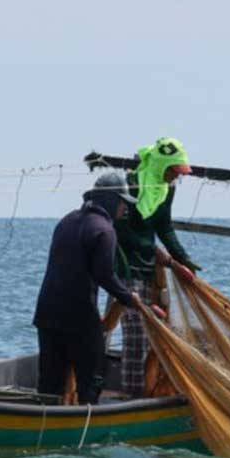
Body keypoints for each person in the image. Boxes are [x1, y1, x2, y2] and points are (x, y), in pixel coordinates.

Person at [33, 172, 140, 404]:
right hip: (79, 318)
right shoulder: (105, 230)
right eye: (123, 203)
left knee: (49, 383)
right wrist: (131, 298)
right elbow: (105, 275)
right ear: (111, 201)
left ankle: (43, 426)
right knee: (93, 379)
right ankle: (84, 428)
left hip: (46, 315)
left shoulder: (66, 221)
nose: (125, 209)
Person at [114, 136, 200, 397]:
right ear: (160, 165)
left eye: (179, 174)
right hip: (124, 268)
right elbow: (123, 233)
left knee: (153, 333)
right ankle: (133, 397)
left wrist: (183, 259)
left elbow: (164, 227)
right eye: (173, 172)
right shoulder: (132, 186)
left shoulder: (165, 190)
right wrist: (165, 258)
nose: (175, 178)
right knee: (135, 334)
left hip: (150, 269)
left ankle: (146, 391)